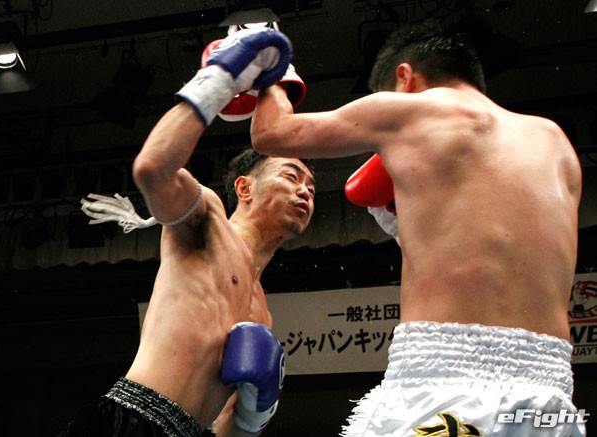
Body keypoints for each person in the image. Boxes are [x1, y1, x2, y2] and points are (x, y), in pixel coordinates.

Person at [250, 20, 585, 436]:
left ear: (404, 77)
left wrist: (274, 69)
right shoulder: (554, 141)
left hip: (447, 381)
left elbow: (270, 135)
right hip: (549, 394)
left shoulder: (409, 113)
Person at [57, 28, 315, 437]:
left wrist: (253, 415)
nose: (304, 191)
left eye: (312, 188)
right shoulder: (207, 218)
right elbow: (153, 170)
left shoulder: (262, 316)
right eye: (291, 176)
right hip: (130, 420)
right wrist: (221, 79)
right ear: (244, 188)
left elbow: (227, 429)